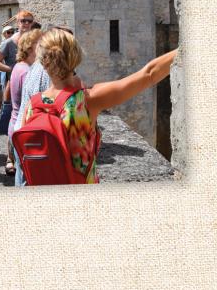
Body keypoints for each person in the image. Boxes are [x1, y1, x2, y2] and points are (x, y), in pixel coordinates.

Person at [18, 28, 177, 184]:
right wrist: (183, 50)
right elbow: (149, 74)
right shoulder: (88, 100)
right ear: (76, 57)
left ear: (43, 63)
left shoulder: (32, 106)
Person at [6, 27, 43, 185]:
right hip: (23, 127)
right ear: (29, 48)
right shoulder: (27, 71)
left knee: (21, 176)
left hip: (15, 124)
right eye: (39, 44)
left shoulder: (18, 67)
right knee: (25, 179)